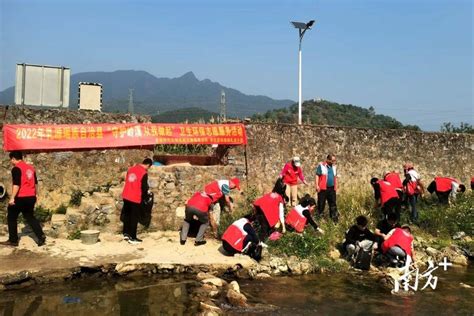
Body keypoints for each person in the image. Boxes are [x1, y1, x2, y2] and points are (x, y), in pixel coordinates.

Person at [0, 151, 46, 247]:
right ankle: (41, 236)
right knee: (30, 216)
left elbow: (16, 184)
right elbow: (35, 183)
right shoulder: (31, 168)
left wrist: (12, 198)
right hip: (31, 197)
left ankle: (13, 240)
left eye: (11, 160)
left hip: (21, 197)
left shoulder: (16, 169)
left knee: (11, 217)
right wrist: (36, 194)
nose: (11, 162)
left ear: (13, 159)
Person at [121, 158, 152, 244]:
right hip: (135, 197)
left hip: (126, 195)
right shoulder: (144, 173)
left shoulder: (131, 169)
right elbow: (144, 187)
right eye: (148, 168)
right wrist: (146, 196)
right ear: (148, 165)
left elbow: (128, 180)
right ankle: (133, 238)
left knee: (127, 215)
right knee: (134, 218)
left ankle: (126, 234)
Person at [315, 154, 339, 223]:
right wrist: (317, 185)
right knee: (321, 204)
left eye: (335, 160)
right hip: (323, 189)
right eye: (333, 160)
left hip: (332, 189)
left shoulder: (334, 167)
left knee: (333, 204)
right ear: (328, 160)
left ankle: (334, 220)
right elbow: (317, 175)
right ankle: (320, 219)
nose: (334, 162)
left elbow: (335, 176)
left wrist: (336, 186)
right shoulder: (321, 166)